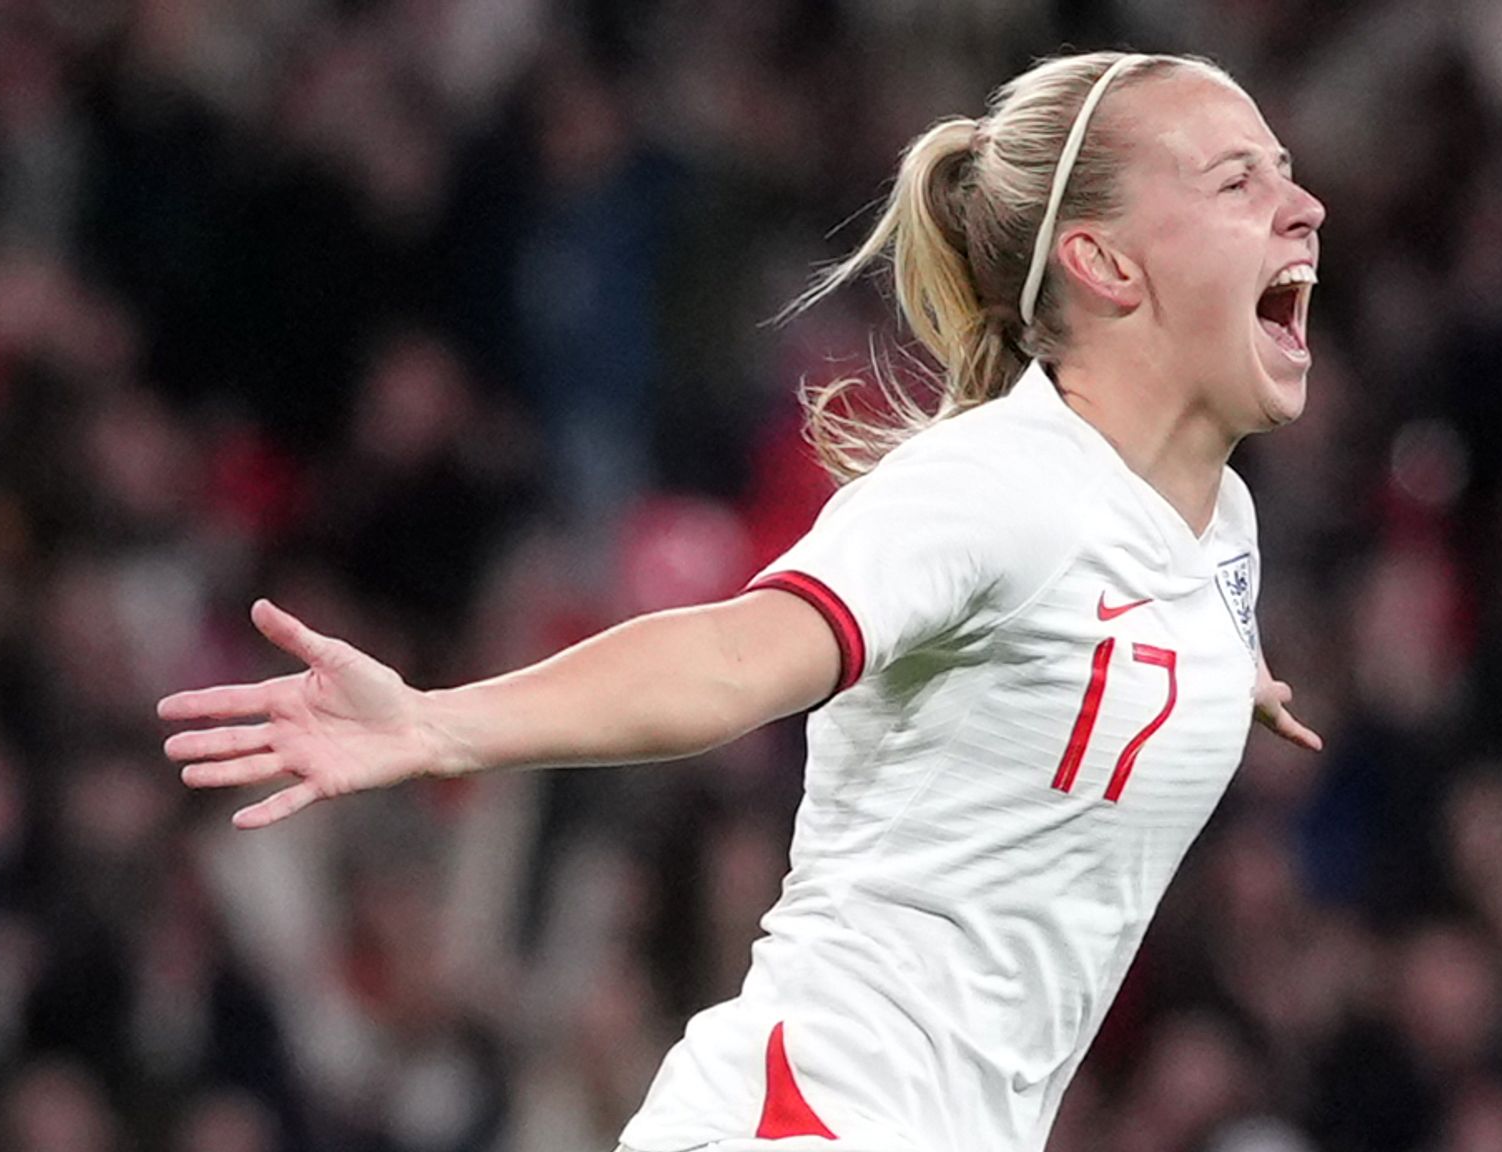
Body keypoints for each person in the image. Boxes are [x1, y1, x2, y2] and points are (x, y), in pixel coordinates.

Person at [159, 49, 1326, 1152]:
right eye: (1237, 178)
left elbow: (1114, 633)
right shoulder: (994, 484)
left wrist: (1225, 681)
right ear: (1104, 262)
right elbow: (729, 657)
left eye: (1282, 169)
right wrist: (437, 724)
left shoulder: (1214, 525)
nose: (1301, 205)